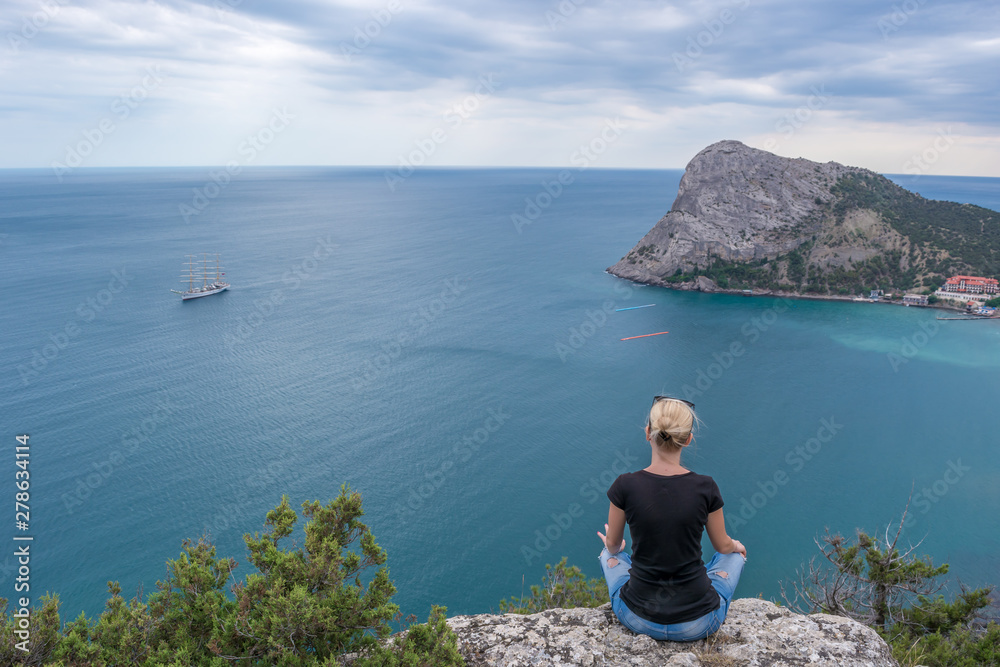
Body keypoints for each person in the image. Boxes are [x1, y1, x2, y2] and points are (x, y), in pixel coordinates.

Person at [597, 396, 746, 641]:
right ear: (688, 439)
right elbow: (722, 545)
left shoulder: (625, 485)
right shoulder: (705, 487)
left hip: (636, 617)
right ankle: (702, 580)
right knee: (733, 556)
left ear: (648, 433)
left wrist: (615, 547)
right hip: (698, 623)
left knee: (607, 555)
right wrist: (736, 546)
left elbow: (613, 545)